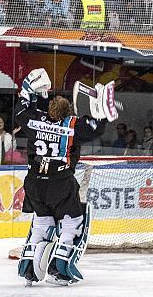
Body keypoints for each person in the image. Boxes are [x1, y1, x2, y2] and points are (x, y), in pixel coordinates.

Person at [15, 68, 118, 286]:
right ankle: (59, 270)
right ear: (68, 110)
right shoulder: (73, 125)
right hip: (60, 182)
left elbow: (21, 110)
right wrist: (101, 111)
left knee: (42, 223)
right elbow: (97, 128)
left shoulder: (34, 120)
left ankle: (28, 269)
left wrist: (30, 92)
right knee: (73, 223)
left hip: (33, 182)